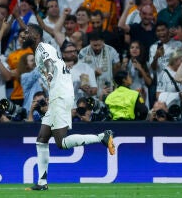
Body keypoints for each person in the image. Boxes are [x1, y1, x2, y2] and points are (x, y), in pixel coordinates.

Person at [23, 23, 115, 191]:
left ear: (36, 35)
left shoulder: (43, 47)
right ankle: (42, 183)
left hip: (60, 95)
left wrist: (50, 73)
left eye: (27, 32)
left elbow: (49, 63)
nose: (24, 34)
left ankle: (102, 136)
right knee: (42, 139)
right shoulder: (40, 49)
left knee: (62, 142)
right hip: (57, 95)